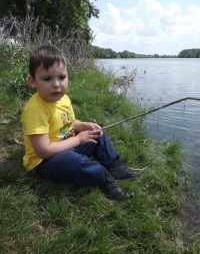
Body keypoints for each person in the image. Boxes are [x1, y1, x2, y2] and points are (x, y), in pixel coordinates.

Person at [21, 45, 141, 201]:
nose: (57, 84)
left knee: (95, 133)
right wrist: (78, 139)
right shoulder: (36, 109)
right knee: (73, 161)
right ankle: (102, 177)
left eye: (62, 77)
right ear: (32, 81)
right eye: (47, 79)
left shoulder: (63, 99)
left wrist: (83, 126)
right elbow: (44, 151)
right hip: (46, 162)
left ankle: (114, 167)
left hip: (67, 146)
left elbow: (70, 122)